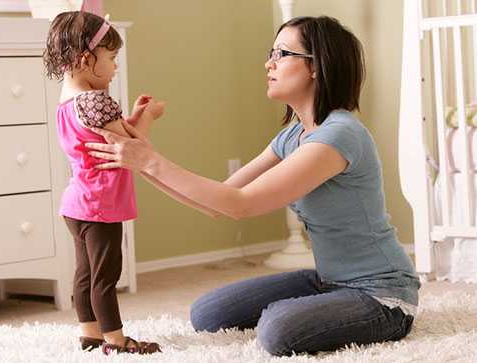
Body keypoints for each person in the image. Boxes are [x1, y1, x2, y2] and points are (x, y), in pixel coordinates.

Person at [86, 16, 421, 356]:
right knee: (209, 313)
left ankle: (346, 313)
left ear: (317, 67)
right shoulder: (292, 136)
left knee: (277, 330)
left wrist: (148, 160)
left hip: (382, 294)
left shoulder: (339, 135)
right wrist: (140, 159)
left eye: (282, 53)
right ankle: (323, 306)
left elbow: (239, 204)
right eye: (271, 52)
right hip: (329, 280)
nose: (269, 62)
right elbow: (216, 203)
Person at [43, 11, 164, 355]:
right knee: (105, 277)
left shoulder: (67, 102)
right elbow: (132, 146)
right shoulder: (97, 101)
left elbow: (112, 135)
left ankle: (90, 334)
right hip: (101, 205)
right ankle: (116, 340)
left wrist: (134, 118)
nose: (115, 68)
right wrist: (150, 118)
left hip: (76, 203)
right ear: (85, 59)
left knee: (85, 273)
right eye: (111, 59)